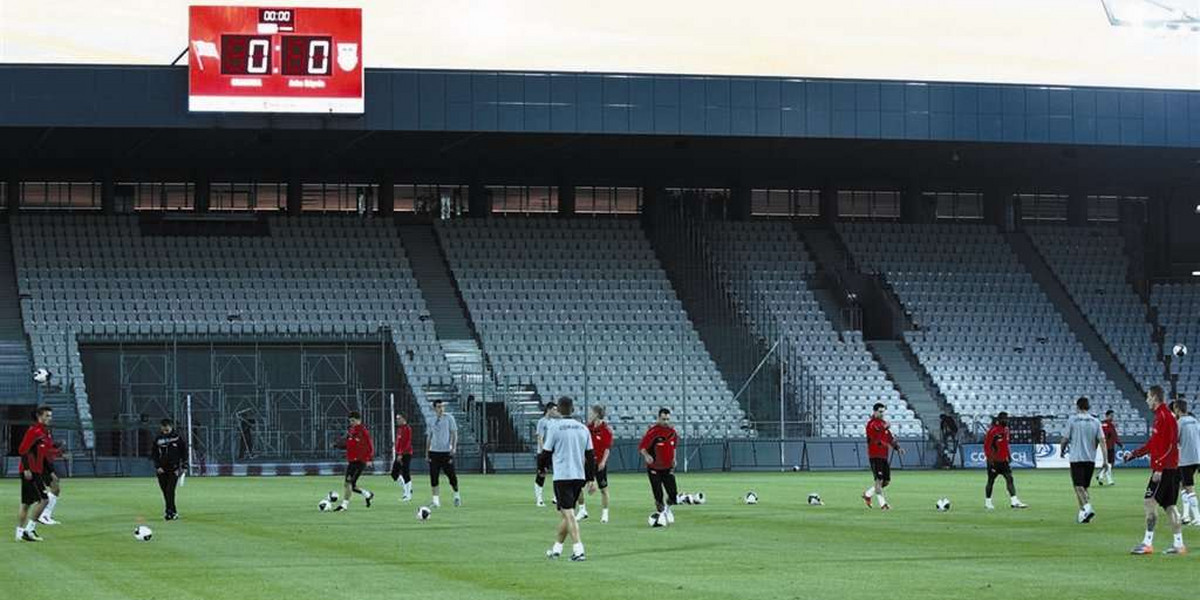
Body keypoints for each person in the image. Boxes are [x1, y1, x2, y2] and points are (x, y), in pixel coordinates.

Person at [1127, 386, 1185, 554]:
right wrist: (1135, 454)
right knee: (1170, 506)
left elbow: (1168, 445)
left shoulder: (1162, 416)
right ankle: (1179, 544)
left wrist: (1158, 467)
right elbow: (1154, 444)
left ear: (1154, 397)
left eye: (1148, 397)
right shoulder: (1166, 416)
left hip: (1164, 469)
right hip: (1172, 467)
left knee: (1149, 501)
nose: (1146, 401)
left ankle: (1147, 543)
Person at [538, 397, 596, 561]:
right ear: (573, 409)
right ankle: (556, 549)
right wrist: (591, 479)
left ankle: (579, 550)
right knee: (566, 513)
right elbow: (590, 456)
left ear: (559, 409)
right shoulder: (583, 428)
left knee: (569, 514)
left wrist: (542, 469)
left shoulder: (555, 428)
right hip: (579, 476)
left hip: (563, 476)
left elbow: (546, 452)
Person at [1060, 397, 1105, 524]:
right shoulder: (1096, 421)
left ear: (1077, 406)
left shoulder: (1073, 420)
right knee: (1084, 487)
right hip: (1090, 459)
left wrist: (1062, 450)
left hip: (1076, 457)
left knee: (1078, 486)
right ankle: (1083, 514)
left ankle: (1087, 507)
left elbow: (1065, 439)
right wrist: (1105, 460)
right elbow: (1101, 440)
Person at [15, 407, 53, 542]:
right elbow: (22, 449)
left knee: (26, 503)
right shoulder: (34, 431)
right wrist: (26, 469)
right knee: (44, 500)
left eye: (50, 416)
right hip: (30, 471)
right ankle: (29, 530)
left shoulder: (44, 432)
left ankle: (19, 533)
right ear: (39, 416)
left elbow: (44, 453)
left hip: (35, 470)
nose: (49, 418)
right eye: (47, 416)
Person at [639, 408, 678, 524]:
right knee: (658, 494)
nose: (665, 421)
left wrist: (674, 459)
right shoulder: (652, 432)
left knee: (673, 494)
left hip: (668, 468)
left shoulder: (672, 432)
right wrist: (646, 456)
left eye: (667, 419)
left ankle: (668, 509)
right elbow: (642, 447)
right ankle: (661, 516)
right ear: (658, 418)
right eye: (663, 419)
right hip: (654, 468)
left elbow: (674, 446)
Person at [863, 403, 904, 510]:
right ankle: (883, 504)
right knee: (879, 480)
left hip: (884, 455)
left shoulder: (883, 423)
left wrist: (897, 448)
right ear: (875, 411)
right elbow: (875, 435)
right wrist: (884, 427)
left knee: (886, 481)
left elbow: (890, 438)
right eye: (880, 412)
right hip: (875, 455)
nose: (882, 414)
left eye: (883, 412)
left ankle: (867, 494)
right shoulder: (871, 424)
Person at [576, 404, 613, 524]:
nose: (589, 415)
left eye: (591, 412)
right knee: (578, 487)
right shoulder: (587, 428)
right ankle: (582, 510)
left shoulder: (606, 430)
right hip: (587, 462)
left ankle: (605, 514)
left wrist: (603, 462)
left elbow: (607, 448)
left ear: (596, 414)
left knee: (604, 489)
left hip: (599, 463)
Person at [983, 412, 1028, 510]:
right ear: (1000, 420)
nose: (1007, 421)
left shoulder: (1006, 430)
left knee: (1010, 479)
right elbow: (987, 446)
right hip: (994, 461)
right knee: (991, 481)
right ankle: (988, 502)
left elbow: (1005, 444)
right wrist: (990, 459)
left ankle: (1014, 501)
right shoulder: (993, 431)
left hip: (1004, 461)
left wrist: (1009, 455)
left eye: (1007, 419)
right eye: (1005, 419)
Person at [335, 411, 375, 511]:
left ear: (359, 420)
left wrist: (369, 459)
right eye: (350, 421)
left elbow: (370, 446)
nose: (351, 422)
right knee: (350, 485)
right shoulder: (351, 431)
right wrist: (339, 446)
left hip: (359, 462)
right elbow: (349, 445)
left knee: (348, 483)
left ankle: (344, 505)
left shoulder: (363, 431)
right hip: (352, 461)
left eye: (353, 421)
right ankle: (368, 494)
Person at [151, 419, 188, 520]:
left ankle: (169, 512)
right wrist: (157, 466)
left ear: (171, 427)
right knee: (165, 491)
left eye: (167, 429)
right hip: (161, 470)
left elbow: (184, 452)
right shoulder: (158, 439)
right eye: (163, 429)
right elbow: (154, 454)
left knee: (170, 490)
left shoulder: (177, 438)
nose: (165, 431)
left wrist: (184, 466)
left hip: (174, 469)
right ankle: (172, 511)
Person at [426, 399, 461, 508]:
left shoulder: (449, 418)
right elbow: (429, 437)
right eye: (438, 407)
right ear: (434, 408)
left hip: (446, 452)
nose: (441, 409)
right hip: (434, 452)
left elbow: (454, 433)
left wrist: (454, 448)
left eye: (442, 406)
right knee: (434, 476)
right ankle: (436, 501)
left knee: (451, 476)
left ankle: (456, 495)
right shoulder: (431, 420)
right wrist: (427, 453)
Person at [1173, 400, 1199, 526]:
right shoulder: (1195, 421)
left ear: (1177, 409)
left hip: (1185, 459)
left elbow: (1175, 440)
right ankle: (1186, 515)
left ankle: (1197, 517)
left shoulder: (1180, 422)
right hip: (1197, 457)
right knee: (1183, 485)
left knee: (1189, 487)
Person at [534, 401, 559, 507]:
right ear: (548, 409)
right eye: (554, 409)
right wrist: (544, 450)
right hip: (544, 452)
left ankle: (556, 497)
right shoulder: (542, 422)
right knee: (542, 474)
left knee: (558, 473)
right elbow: (540, 437)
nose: (555, 411)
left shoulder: (554, 422)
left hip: (554, 452)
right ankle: (539, 499)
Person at [390, 413, 414, 502]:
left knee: (405, 473)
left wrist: (401, 453)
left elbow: (407, 442)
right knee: (394, 473)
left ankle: (408, 495)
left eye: (399, 418)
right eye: (397, 418)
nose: (397, 420)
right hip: (399, 453)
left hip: (406, 453)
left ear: (404, 419)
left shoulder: (407, 428)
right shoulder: (399, 429)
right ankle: (406, 489)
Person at [1097, 410, 1124, 486]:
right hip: (1108, 446)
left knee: (1108, 463)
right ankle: (1109, 480)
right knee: (1110, 463)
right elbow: (1114, 436)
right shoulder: (1107, 425)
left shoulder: (1103, 424)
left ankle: (1100, 476)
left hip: (1107, 446)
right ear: (1107, 415)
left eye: (1113, 416)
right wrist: (1120, 444)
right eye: (1111, 415)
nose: (1112, 417)